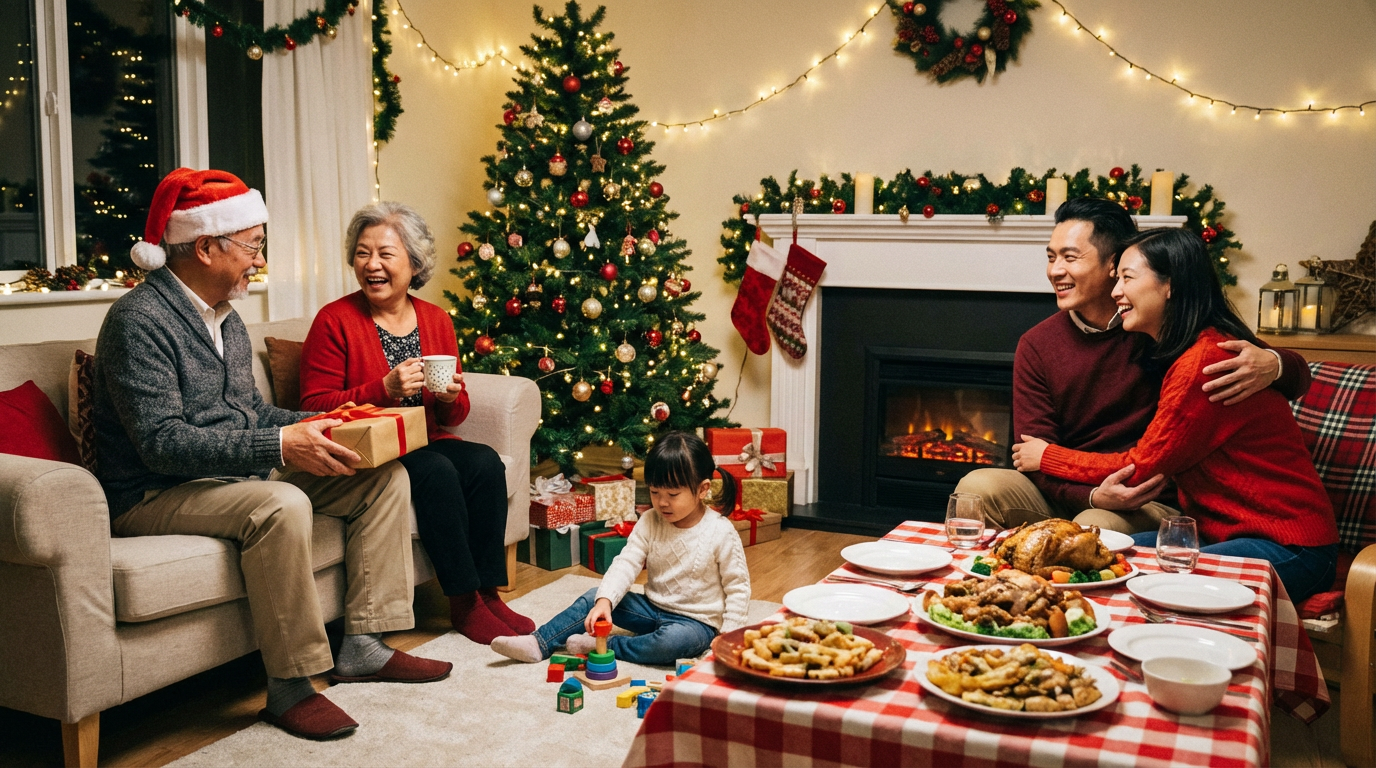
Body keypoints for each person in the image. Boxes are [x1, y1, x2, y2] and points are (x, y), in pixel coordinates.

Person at [95, 169, 451, 742]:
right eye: (253, 247)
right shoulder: (138, 322)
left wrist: (325, 424)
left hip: (230, 472)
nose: (258, 262)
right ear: (207, 247)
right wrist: (281, 445)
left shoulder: (226, 321)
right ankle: (290, 684)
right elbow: (162, 442)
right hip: (154, 492)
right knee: (281, 504)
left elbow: (250, 415)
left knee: (381, 478)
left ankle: (365, 643)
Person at [1011, 227, 1338, 602]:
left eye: (1128, 279)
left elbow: (1141, 465)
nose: (1116, 291)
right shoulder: (1187, 348)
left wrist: (1047, 456)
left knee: (1130, 581)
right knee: (1107, 560)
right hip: (1224, 535)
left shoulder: (1206, 359)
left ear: (1170, 285)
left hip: (1290, 546)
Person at [956, 198, 1311, 534]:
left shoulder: (1163, 325)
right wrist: (1092, 494)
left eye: (1070, 257)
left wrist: (1276, 362)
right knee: (977, 486)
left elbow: (1295, 374)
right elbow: (1032, 453)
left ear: (1114, 263)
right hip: (1072, 491)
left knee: (1099, 524)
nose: (1055, 270)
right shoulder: (1037, 344)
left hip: (1146, 497)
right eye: (1051, 257)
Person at [299, 201, 527, 645]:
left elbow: (453, 417)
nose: (372, 265)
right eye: (363, 253)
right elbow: (314, 408)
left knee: (484, 462)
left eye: (386, 254)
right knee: (437, 471)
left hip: (422, 436)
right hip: (368, 447)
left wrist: (450, 396)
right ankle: (462, 603)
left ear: (414, 262)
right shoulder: (334, 321)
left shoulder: (435, 319)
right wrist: (382, 388)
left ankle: (487, 591)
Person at [490, 432, 752, 666]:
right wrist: (605, 601)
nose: (662, 502)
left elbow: (738, 588)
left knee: (671, 642)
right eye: (654, 492)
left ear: (702, 489)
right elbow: (626, 562)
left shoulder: (720, 531)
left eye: (672, 495)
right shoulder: (650, 520)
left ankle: (605, 646)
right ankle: (539, 642)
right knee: (595, 595)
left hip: (696, 624)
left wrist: (727, 636)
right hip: (651, 609)